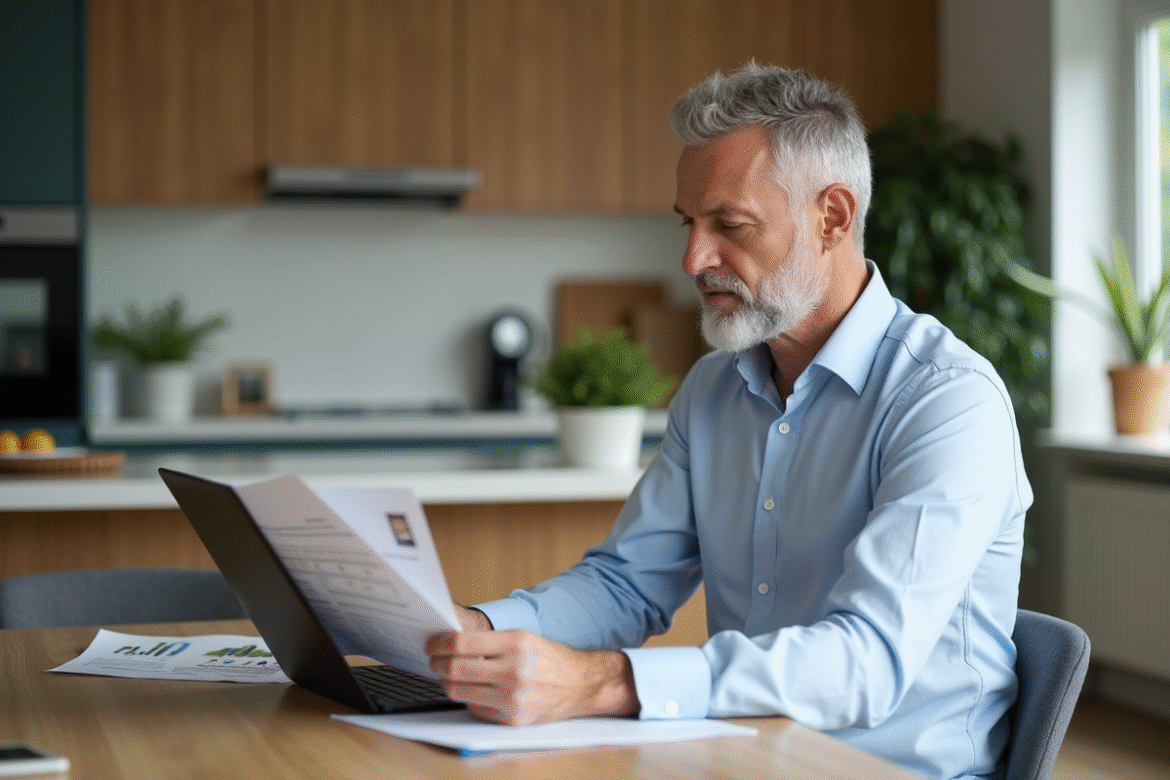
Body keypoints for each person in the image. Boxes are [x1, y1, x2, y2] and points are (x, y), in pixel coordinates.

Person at [425, 63, 1030, 780]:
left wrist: (601, 682)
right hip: (743, 760)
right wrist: (481, 631)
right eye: (689, 224)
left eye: (729, 225)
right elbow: (628, 585)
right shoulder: (714, 389)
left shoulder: (947, 401)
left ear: (832, 217)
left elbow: (866, 661)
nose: (693, 259)